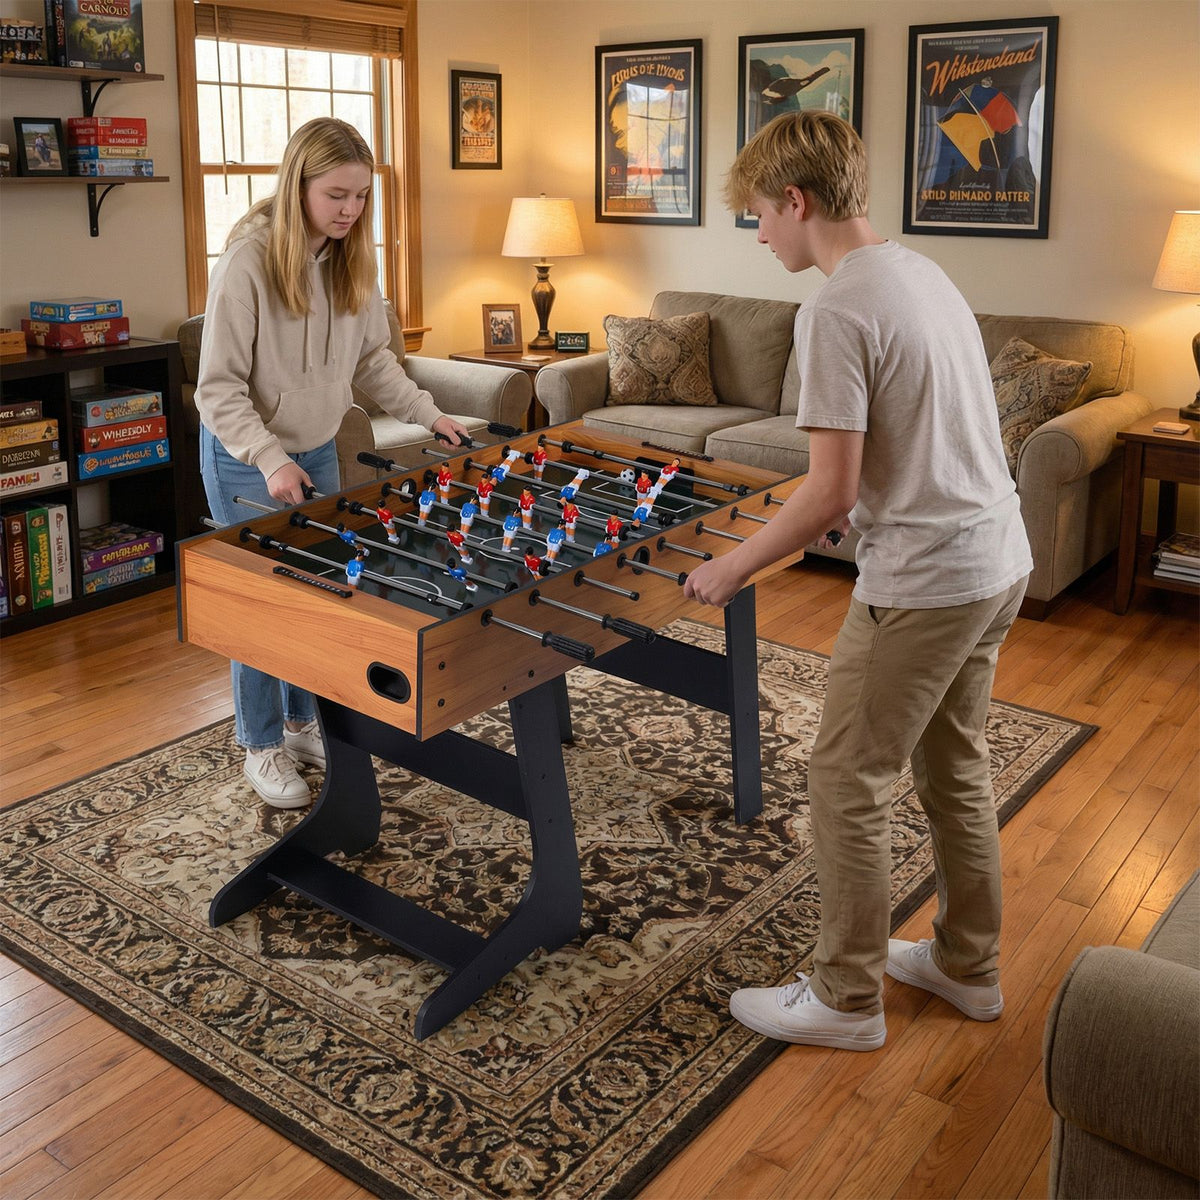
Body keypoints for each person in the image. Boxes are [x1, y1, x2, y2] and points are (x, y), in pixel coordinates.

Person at [683, 110, 1031, 1051]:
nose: (758, 235)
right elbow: (883, 458)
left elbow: (829, 488)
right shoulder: (918, 270)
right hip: (998, 557)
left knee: (845, 775)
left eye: (759, 214)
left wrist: (733, 565)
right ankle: (969, 966)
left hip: (928, 578)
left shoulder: (833, 309)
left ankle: (845, 998)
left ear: (796, 201)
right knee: (953, 763)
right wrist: (829, 507)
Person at [196, 117, 470, 810]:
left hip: (315, 446)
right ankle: (260, 744)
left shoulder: (354, 260)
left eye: (360, 196)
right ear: (299, 186)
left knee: (315, 594)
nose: (350, 210)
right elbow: (217, 389)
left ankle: (299, 722)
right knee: (265, 608)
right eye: (336, 195)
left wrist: (430, 413)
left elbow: (376, 361)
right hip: (245, 456)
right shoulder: (247, 265)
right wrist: (267, 459)